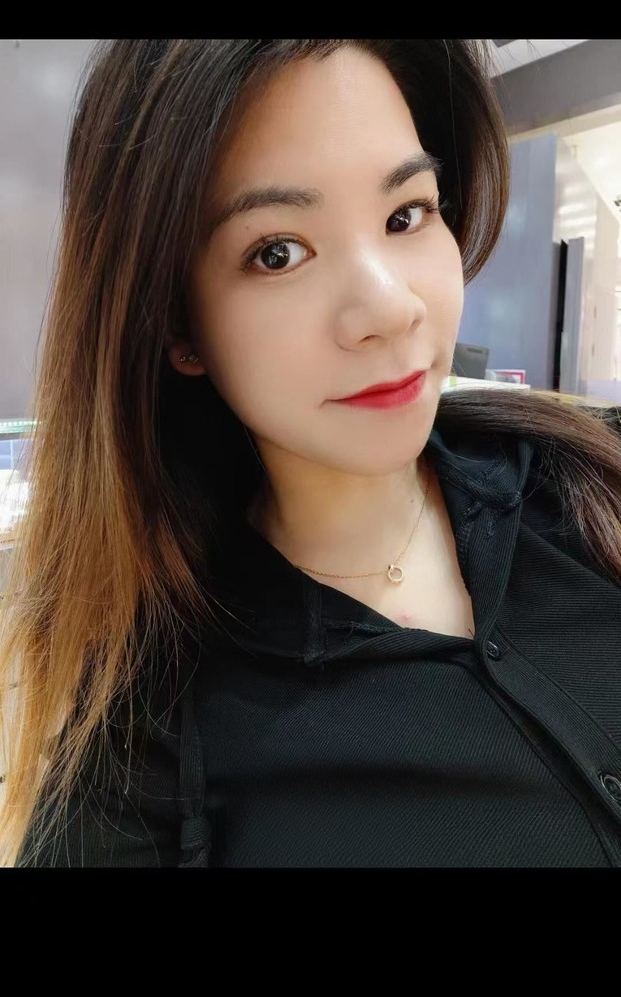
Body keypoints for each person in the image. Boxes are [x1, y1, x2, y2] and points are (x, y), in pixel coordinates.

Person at [2, 39, 621, 868]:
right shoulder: (153, 737)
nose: (389, 309)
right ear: (177, 324)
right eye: (277, 252)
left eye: (405, 214)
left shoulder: (587, 472)